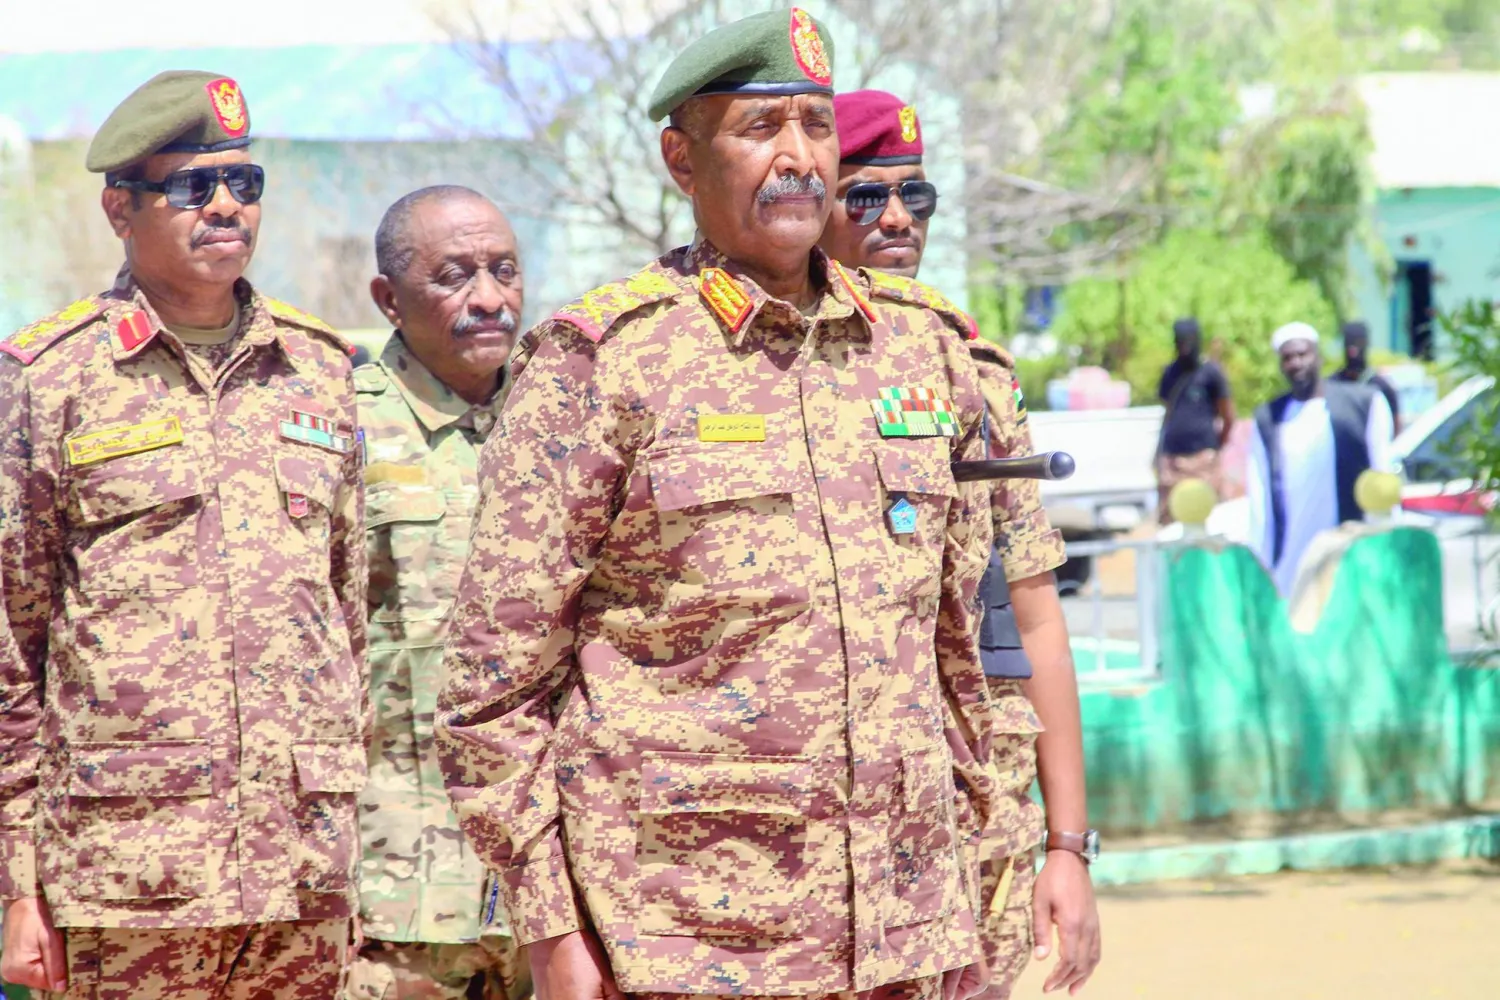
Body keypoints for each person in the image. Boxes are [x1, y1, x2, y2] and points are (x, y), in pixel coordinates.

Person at [438, 10, 1006, 1000]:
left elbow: (957, 658)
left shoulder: (920, 351)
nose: (797, 158)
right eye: (759, 128)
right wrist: (551, 932)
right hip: (685, 940)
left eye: (814, 126)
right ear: (681, 157)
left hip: (909, 931)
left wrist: (984, 883)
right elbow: (492, 690)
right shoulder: (603, 363)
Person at [0, 72, 365, 998]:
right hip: (126, 876)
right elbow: (12, 644)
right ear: (120, 208)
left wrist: (343, 838)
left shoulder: (317, 372)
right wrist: (17, 886)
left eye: (245, 184)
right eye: (192, 188)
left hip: (299, 871)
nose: (226, 208)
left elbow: (344, 614)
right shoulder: (51, 378)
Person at [819, 89, 1100, 1000]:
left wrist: (1069, 846)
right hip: (810, 838)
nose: (896, 218)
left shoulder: (977, 377)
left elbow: (1035, 616)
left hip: (973, 820)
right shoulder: (747, 372)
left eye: (916, 196)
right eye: (866, 196)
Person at [349, 186, 531, 1000]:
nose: (488, 298)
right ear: (389, 299)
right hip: (399, 898)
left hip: (545, 894)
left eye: (504, 270)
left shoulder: (562, 421)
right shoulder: (338, 431)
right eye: (455, 276)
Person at [1246, 322, 1395, 596]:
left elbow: (1382, 477)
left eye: (1303, 354)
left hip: (1349, 555)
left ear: (1319, 356)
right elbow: (1260, 499)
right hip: (1291, 563)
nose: (1296, 363)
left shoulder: (1362, 404)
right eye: (1288, 357)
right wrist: (1261, 563)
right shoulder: (1269, 418)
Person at [1155, 317, 1234, 524]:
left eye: (1189, 341)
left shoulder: (1211, 373)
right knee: (1171, 518)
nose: (1185, 347)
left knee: (1210, 516)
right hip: (1173, 460)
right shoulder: (1170, 373)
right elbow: (1169, 411)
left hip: (1204, 459)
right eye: (1181, 341)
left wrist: (1216, 445)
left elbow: (1227, 414)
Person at [1331, 321, 1401, 433]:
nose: (1353, 351)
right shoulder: (1332, 384)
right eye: (1349, 343)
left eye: (1357, 343)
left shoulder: (1381, 387)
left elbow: (1395, 428)